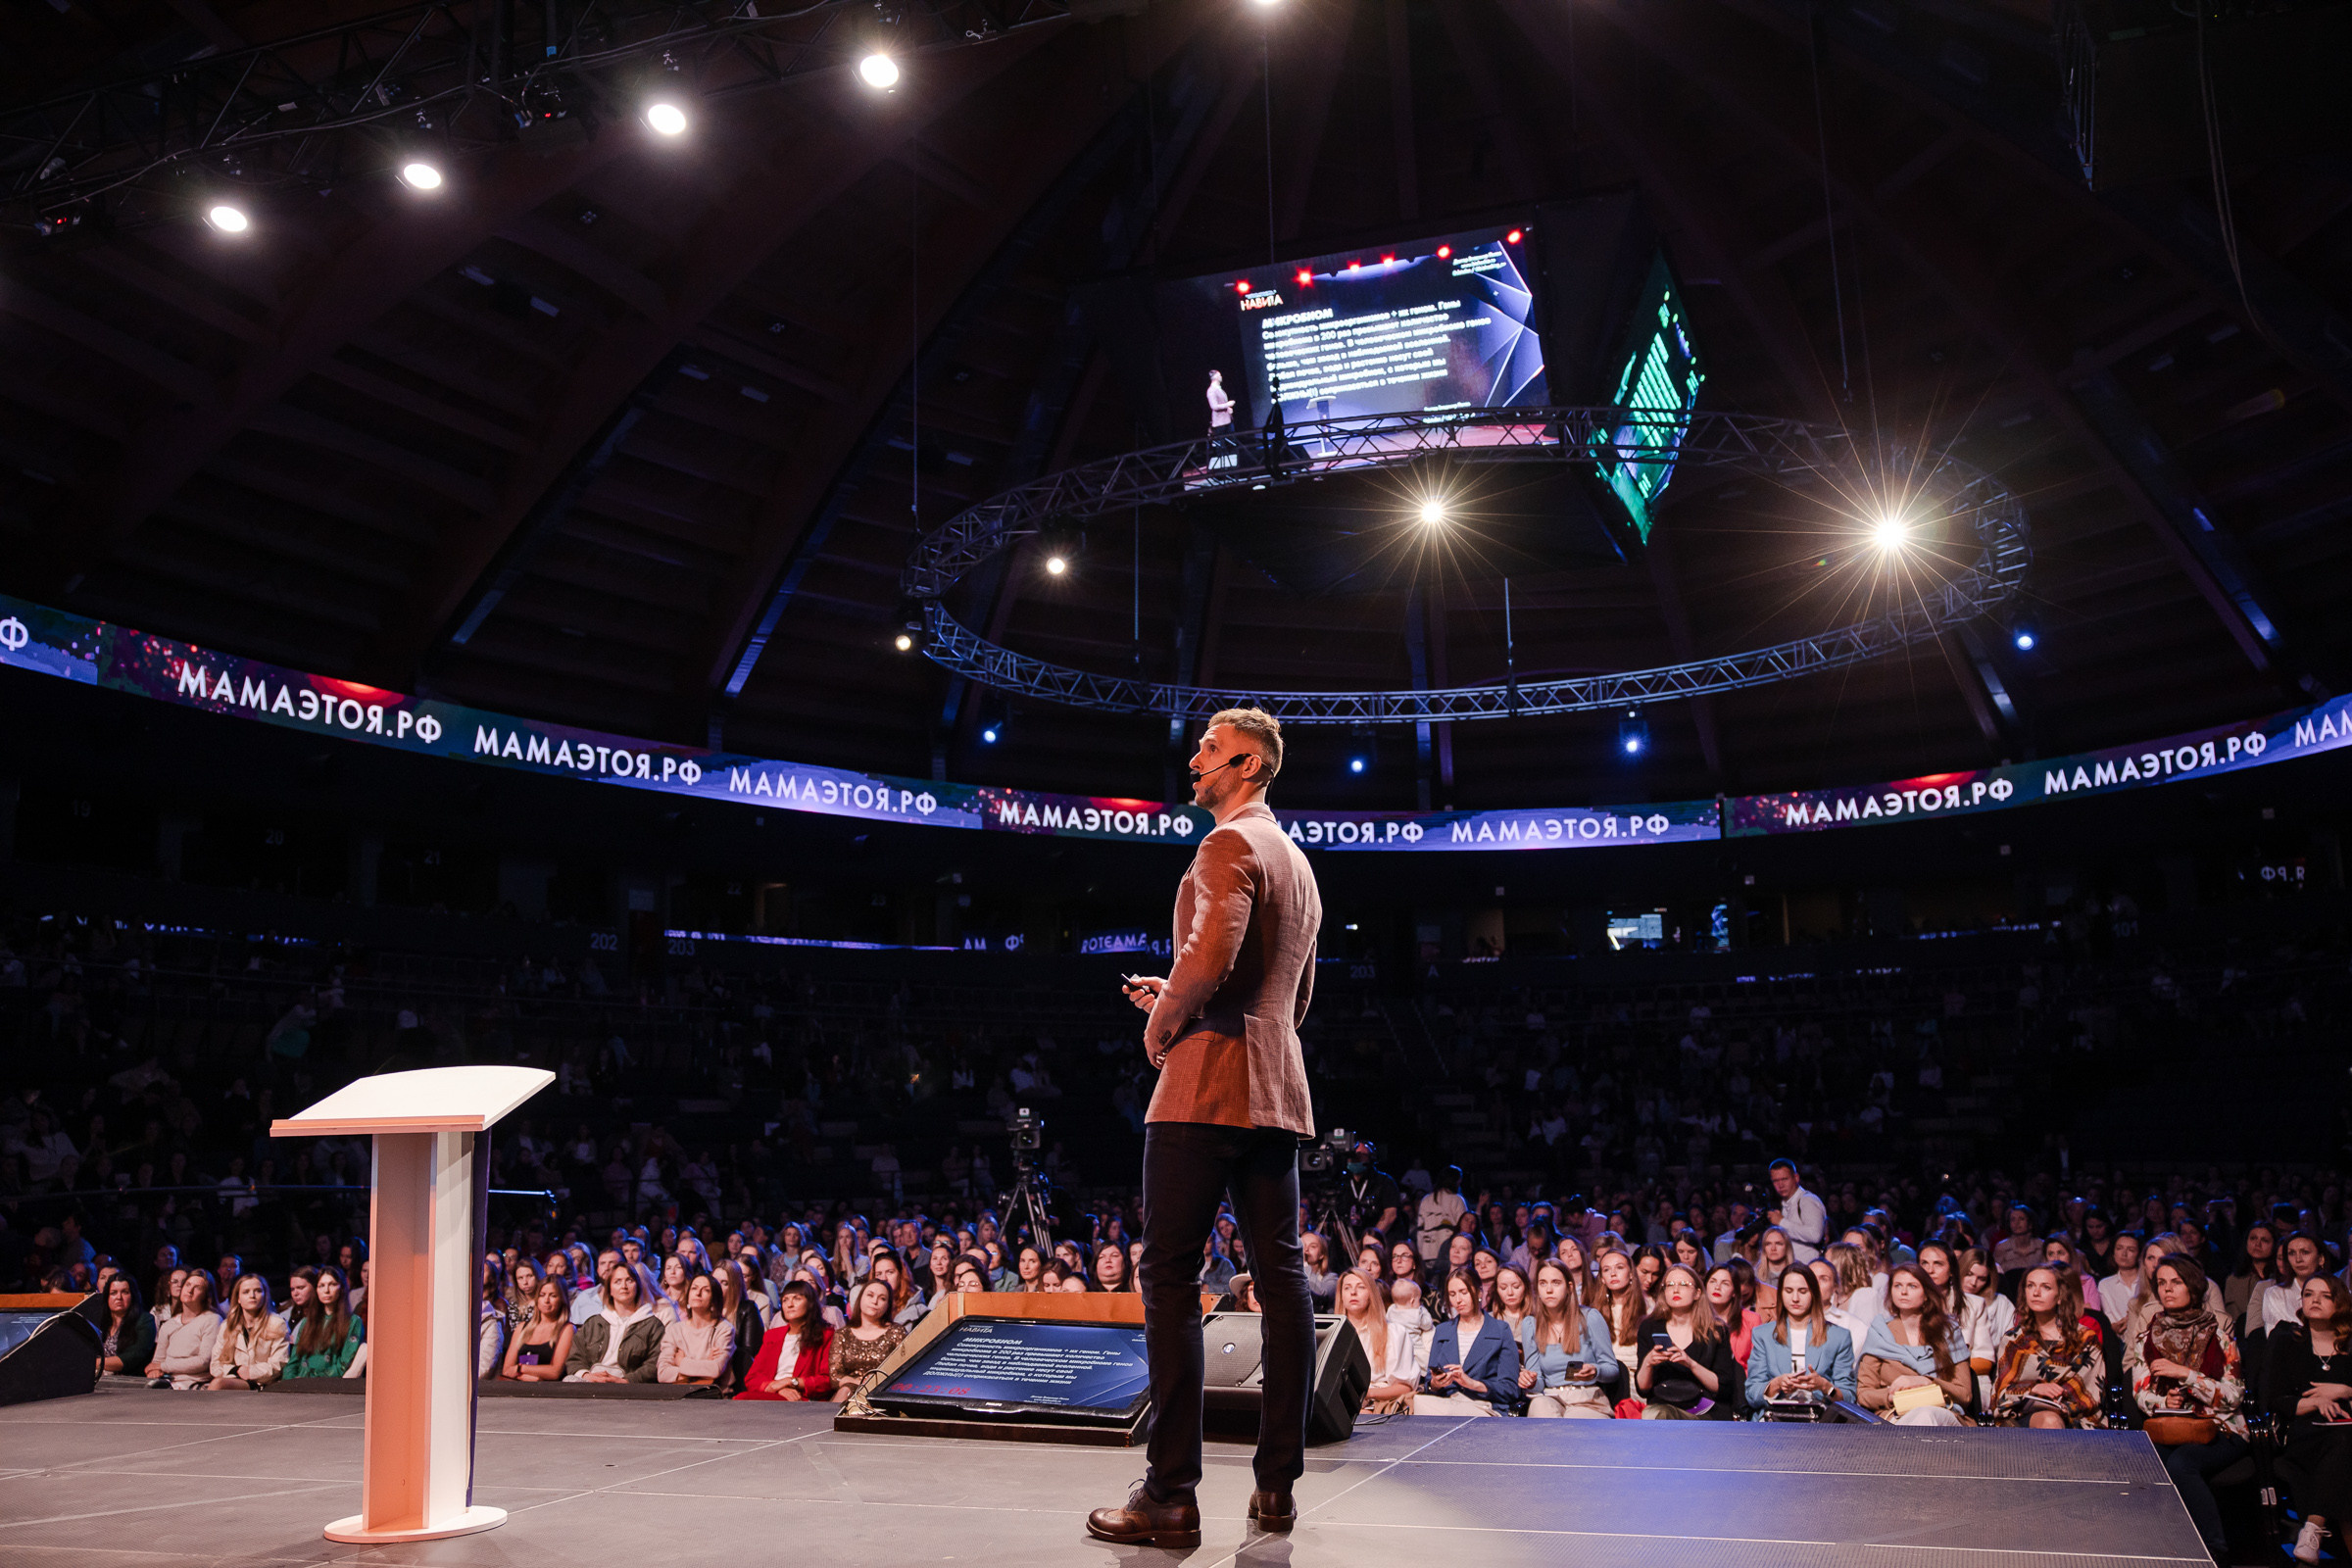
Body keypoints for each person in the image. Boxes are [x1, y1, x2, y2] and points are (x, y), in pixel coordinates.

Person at [1092, 710, 1321, 1550]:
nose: (1194, 760)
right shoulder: (1295, 859)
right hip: (1277, 1087)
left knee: (1170, 1282)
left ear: (1249, 764)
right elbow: (1291, 999)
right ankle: (1275, 1491)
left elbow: (1212, 955)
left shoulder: (1225, 845)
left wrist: (1165, 1027)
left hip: (1203, 1091)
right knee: (1284, 1281)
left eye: (1208, 750)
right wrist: (1191, 998)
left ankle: (1171, 1494)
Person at [2127, 1254, 2246, 1566]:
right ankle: (2166, 1550)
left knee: (2181, 1463)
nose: (2167, 1289)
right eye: (2162, 1283)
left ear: (2192, 1287)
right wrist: (2165, 1402)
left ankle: (2213, 1550)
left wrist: (2187, 1376)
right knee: (2149, 1464)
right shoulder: (2146, 1336)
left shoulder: (2219, 1335)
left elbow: (2233, 1397)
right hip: (2171, 1426)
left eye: (2176, 1282)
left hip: (2220, 1426)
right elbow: (2141, 1394)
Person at [1988, 1264, 2106, 1428]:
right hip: (2020, 1416)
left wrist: (2057, 1398)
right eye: (2030, 1286)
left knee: (2053, 1419)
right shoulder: (2014, 1340)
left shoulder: (2085, 1339)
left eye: (2046, 1287)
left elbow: (2091, 1392)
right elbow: (2001, 1393)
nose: (2036, 1293)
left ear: (2059, 1296)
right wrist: (2035, 1389)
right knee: (2050, 1420)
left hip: (2076, 1417)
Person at [1857, 1263, 1971, 1425]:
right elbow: (1864, 1394)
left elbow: (1964, 1394)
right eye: (1898, 1286)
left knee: (1925, 1414)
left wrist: (1926, 1382)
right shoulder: (1880, 1333)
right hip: (1896, 1414)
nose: (1903, 1292)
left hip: (1942, 1411)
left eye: (1912, 1286)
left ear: (1926, 1294)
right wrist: (1892, 1395)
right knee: (1918, 1418)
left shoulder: (1948, 1332)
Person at [1635, 1264, 1743, 1419]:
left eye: (1684, 1285)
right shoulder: (1649, 1326)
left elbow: (1723, 1387)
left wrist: (1690, 1364)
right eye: (1670, 1285)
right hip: (1663, 1405)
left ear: (1697, 1293)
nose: (1676, 1290)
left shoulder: (1716, 1330)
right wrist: (1648, 1363)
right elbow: (1643, 1389)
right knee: (1657, 1414)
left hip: (1705, 1407)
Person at [1746, 1264, 1856, 1409]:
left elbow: (1849, 1396)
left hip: (1820, 1422)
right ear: (1781, 1294)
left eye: (1803, 1291)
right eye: (1788, 1291)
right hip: (1774, 1421)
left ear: (1813, 1294)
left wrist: (1825, 1387)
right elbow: (1751, 1393)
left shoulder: (1839, 1337)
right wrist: (1776, 1385)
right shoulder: (1763, 1335)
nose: (1795, 1298)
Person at [1520, 1258, 1617, 1417]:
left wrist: (1595, 1371)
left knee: (1574, 1418)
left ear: (1569, 1287)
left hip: (1586, 1398)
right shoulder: (1531, 1324)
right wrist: (1530, 1382)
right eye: (1543, 1283)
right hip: (1551, 1397)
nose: (1549, 1290)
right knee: (1539, 1406)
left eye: (1556, 1283)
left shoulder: (1590, 1317)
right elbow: (1537, 1384)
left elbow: (1612, 1370)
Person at [1417, 1268, 1520, 1415]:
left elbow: (1510, 1390)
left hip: (1483, 1405)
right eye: (1452, 1294)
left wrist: (1472, 1384)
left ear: (1479, 1292)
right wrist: (1436, 1383)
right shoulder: (1442, 1331)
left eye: (1464, 1292)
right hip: (1447, 1403)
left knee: (1458, 1412)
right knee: (1419, 1404)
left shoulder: (1499, 1330)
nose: (1458, 1300)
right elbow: (1429, 1383)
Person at [565, 1259, 662, 1383]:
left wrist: (624, 1380)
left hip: (627, 1386)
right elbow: (574, 1358)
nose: (624, 1286)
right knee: (569, 1380)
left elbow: (654, 1363)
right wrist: (587, 1376)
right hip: (591, 1381)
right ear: (609, 1289)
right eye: (618, 1281)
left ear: (637, 1286)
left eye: (629, 1280)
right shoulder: (594, 1323)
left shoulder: (653, 1325)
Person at [738, 1280, 834, 1401]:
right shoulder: (772, 1336)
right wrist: (778, 1388)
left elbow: (827, 1380)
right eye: (785, 1300)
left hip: (801, 1398)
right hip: (773, 1394)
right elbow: (752, 1378)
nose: (790, 1304)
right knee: (740, 1399)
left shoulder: (826, 1335)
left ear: (810, 1303)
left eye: (797, 1298)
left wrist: (792, 1382)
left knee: (743, 1400)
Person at [1337, 1269, 1415, 1414]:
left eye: (1361, 1287)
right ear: (1341, 1295)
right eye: (1347, 1288)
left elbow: (1405, 1387)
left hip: (1377, 1406)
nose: (1353, 1292)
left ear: (1371, 1294)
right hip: (1338, 1405)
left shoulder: (1394, 1333)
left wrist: (1366, 1393)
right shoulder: (1333, 1335)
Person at [204, 1272, 288, 1391]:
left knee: (218, 1385)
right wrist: (237, 1370)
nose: (252, 1295)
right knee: (218, 1384)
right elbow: (215, 1366)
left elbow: (278, 1365)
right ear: (238, 1298)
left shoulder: (277, 1324)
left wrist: (250, 1372)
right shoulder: (228, 1325)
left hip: (263, 1383)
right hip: (234, 1379)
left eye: (258, 1291)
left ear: (265, 1295)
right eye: (246, 1292)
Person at [829, 1279, 906, 1402]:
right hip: (848, 1393)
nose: (874, 1301)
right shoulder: (843, 1334)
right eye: (870, 1295)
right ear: (860, 1299)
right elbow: (835, 1377)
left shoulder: (897, 1332)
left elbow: (904, 1370)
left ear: (888, 1305)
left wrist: (873, 1384)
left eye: (882, 1298)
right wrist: (859, 1383)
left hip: (883, 1393)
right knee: (845, 1391)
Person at [148, 1269, 223, 1389]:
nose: (190, 1290)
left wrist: (163, 1367)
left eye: (198, 1287)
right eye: (188, 1285)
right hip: (168, 1383)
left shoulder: (212, 1320)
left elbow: (203, 1362)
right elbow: (156, 1362)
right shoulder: (169, 1324)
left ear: (206, 1295)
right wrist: (154, 1371)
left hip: (196, 1385)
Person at [287, 1263, 364, 1380]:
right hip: (298, 1386)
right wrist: (289, 1384)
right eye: (321, 1285)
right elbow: (293, 1362)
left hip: (327, 1386)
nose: (326, 1290)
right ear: (316, 1290)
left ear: (342, 1287)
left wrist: (310, 1380)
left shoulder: (353, 1322)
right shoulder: (307, 1322)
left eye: (332, 1284)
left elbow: (343, 1366)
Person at [659, 1271, 736, 1386]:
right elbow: (662, 1373)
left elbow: (715, 1369)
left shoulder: (723, 1329)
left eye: (706, 1290)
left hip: (714, 1396)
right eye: (694, 1288)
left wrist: (681, 1362)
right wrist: (703, 1367)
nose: (698, 1293)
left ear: (714, 1300)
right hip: (679, 1395)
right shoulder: (675, 1330)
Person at [501, 1277, 570, 1382]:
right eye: (542, 1295)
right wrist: (532, 1378)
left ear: (562, 1299)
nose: (546, 1300)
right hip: (516, 1388)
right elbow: (507, 1370)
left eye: (553, 1296)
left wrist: (520, 1368)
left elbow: (555, 1372)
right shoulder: (522, 1327)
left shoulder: (567, 1329)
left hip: (549, 1391)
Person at [1765, 1158, 1828, 1262]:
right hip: (1792, 1268)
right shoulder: (1784, 1205)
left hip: (1810, 1268)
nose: (1780, 1185)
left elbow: (1815, 1235)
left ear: (1796, 1178)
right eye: (1776, 1181)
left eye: (1784, 1179)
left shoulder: (1807, 1200)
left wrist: (1781, 1222)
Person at [93, 1275, 154, 1379]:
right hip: (96, 1377)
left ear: (133, 1295)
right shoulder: (98, 1320)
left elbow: (132, 1358)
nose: (119, 1297)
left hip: (127, 1381)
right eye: (113, 1293)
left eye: (125, 1292)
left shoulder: (145, 1320)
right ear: (107, 1296)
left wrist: (94, 1362)